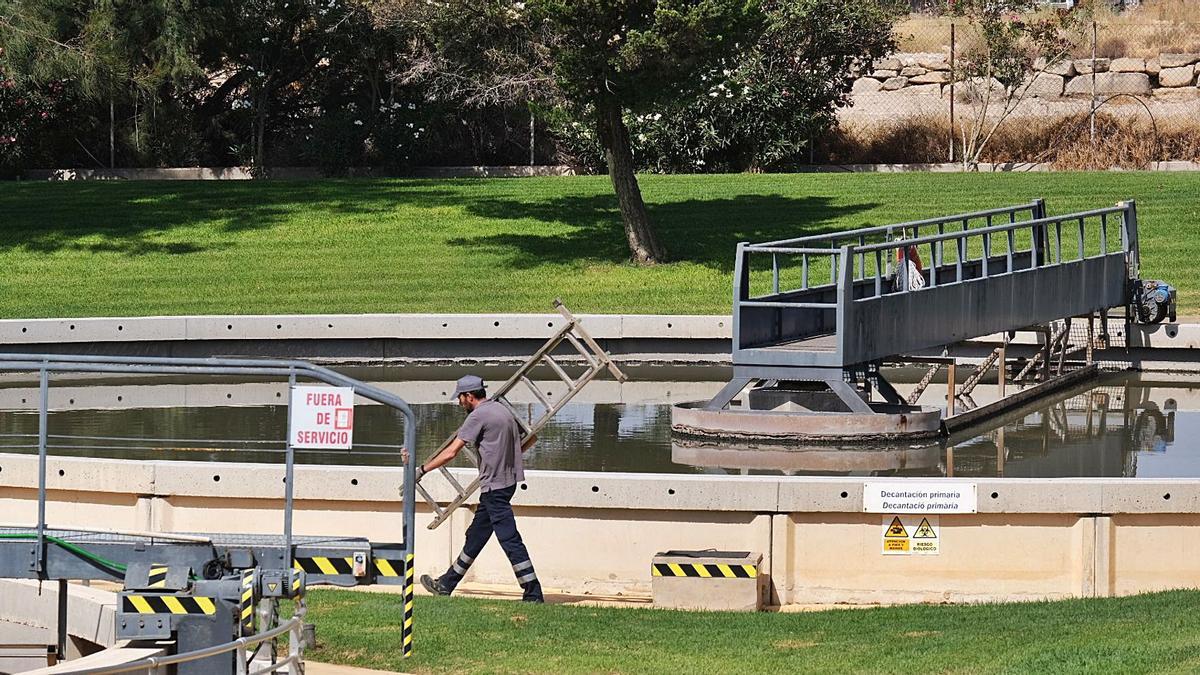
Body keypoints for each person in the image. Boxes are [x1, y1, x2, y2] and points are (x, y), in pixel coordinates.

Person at [412, 374, 544, 603]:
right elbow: (530, 439)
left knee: (510, 539)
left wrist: (422, 470)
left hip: (494, 489)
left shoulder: (478, 416)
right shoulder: (502, 410)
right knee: (476, 536)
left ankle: (533, 593)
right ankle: (446, 583)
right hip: (506, 484)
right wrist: (506, 457)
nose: (459, 402)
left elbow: (451, 452)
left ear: (469, 396)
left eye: (460, 398)